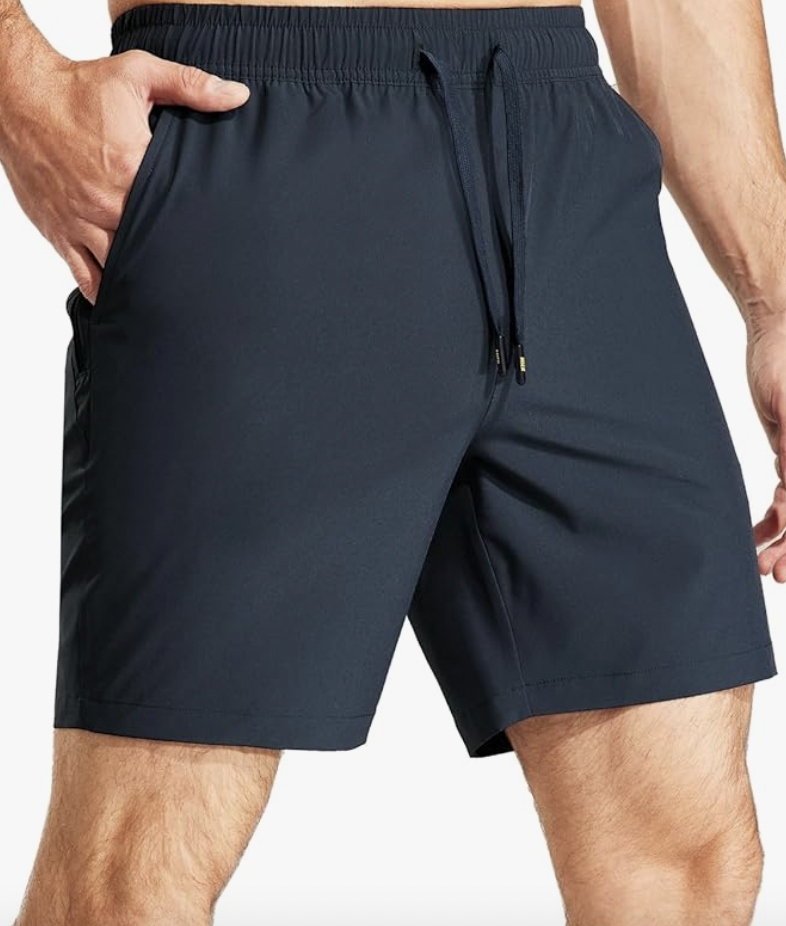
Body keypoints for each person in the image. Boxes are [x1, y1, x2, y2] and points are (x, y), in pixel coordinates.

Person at [0, 0, 783, 922]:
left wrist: (775, 299)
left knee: (688, 856)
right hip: (254, 126)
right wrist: (24, 90)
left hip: (563, 165)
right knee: (135, 873)